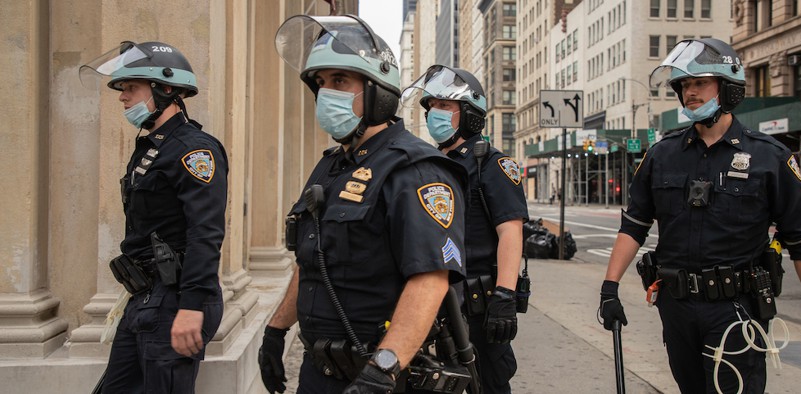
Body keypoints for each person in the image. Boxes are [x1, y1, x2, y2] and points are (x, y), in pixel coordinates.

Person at [598, 38, 801, 393]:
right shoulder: (662, 155)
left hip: (735, 309)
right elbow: (634, 225)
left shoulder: (770, 157)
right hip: (676, 308)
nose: (690, 92)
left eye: (699, 83)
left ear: (728, 88)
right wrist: (609, 288)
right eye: (684, 85)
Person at [257, 15, 468, 394]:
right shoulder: (331, 165)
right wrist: (276, 329)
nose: (325, 94)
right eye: (321, 84)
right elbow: (313, 259)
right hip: (319, 371)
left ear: (378, 92)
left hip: (379, 376)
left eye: (340, 81)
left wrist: (381, 372)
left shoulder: (415, 169)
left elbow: (430, 280)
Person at [79, 41, 228, 393]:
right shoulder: (152, 146)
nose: (121, 96)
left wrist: (192, 307)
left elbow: (205, 233)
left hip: (174, 298)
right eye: (121, 88)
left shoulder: (194, 149)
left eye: (130, 87)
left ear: (165, 89)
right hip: (145, 296)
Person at [401, 65, 529, 394]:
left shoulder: (492, 165)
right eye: (431, 106)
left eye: (444, 106)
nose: (434, 113)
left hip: (478, 310)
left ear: (470, 115)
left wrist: (504, 296)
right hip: (430, 308)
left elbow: (511, 233)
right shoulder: (428, 164)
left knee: (486, 384)